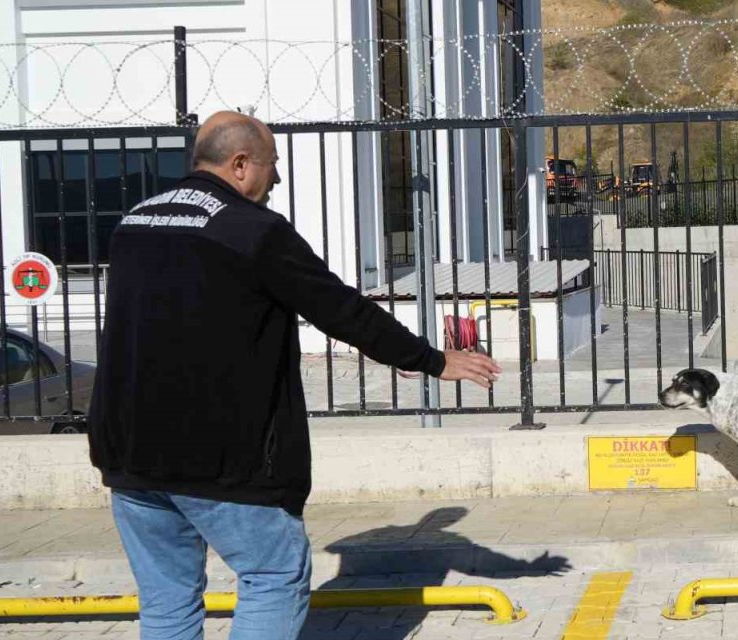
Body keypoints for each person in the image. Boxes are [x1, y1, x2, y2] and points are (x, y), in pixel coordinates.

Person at [87, 111, 501, 639]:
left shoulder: (136, 222)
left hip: (129, 457)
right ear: (240, 164)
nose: (275, 179)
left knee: (167, 602)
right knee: (273, 577)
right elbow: (342, 310)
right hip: (222, 462)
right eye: (271, 165)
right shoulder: (251, 231)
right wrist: (434, 360)